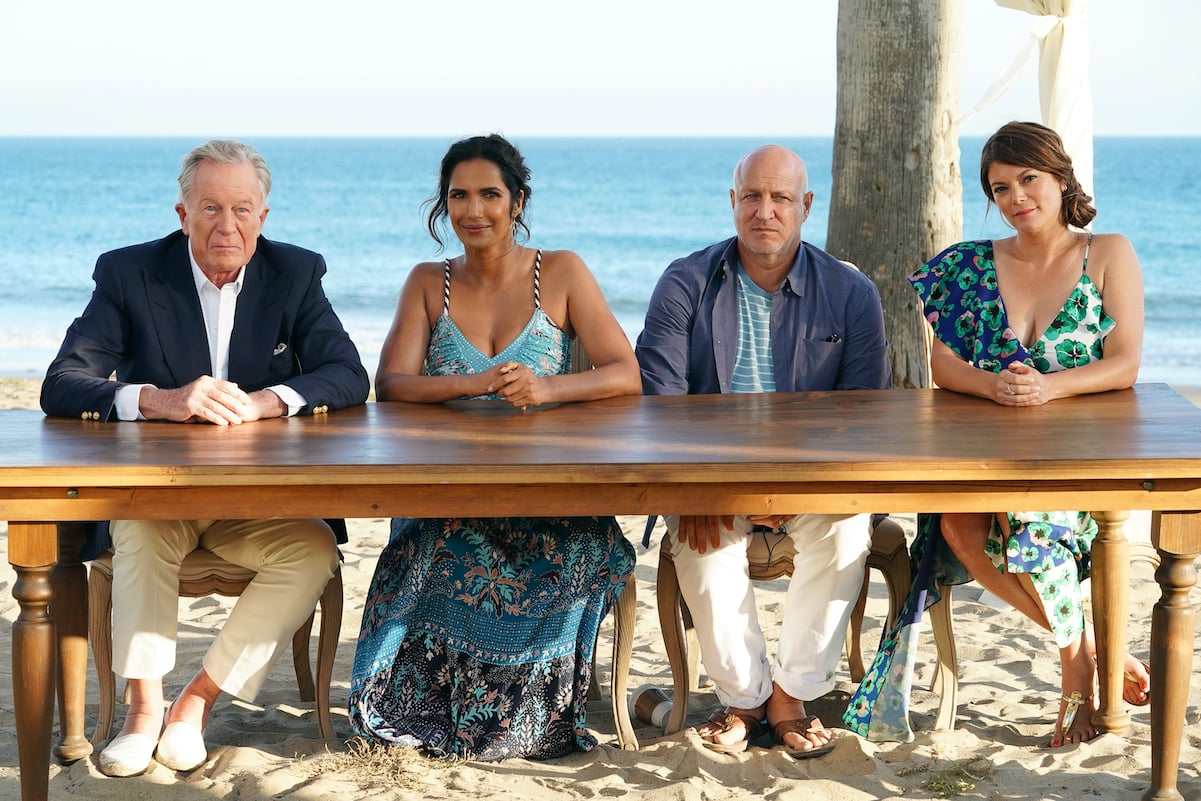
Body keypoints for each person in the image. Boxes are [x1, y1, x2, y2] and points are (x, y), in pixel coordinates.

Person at [41, 139, 371, 777]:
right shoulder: (129, 273)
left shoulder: (296, 272)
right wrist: (158, 400)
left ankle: (193, 704)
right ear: (183, 213)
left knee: (313, 552)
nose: (228, 225)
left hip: (257, 503)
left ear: (262, 217)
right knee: (140, 529)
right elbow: (62, 382)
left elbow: (348, 374)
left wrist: (270, 401)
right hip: (159, 497)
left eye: (243, 209)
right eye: (211, 208)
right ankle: (143, 713)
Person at [844, 120, 1148, 748]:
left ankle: (1074, 671)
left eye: (1028, 179)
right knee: (957, 525)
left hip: (1077, 455)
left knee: (1027, 520)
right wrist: (993, 388)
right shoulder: (969, 265)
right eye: (1000, 188)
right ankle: (1093, 652)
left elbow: (1125, 364)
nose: (1016, 197)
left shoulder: (1107, 253)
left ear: (1060, 177)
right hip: (987, 448)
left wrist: (1049, 389)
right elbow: (943, 365)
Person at [348, 134, 640, 761]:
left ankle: (522, 712)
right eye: (459, 196)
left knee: (573, 554)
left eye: (489, 194)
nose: (473, 210)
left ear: (517, 201)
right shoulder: (428, 282)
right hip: (450, 492)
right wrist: (475, 383)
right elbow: (391, 384)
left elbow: (625, 373)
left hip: (551, 493)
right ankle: (428, 707)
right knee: (426, 550)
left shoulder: (561, 272)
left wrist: (548, 388)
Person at [635, 144, 892, 756]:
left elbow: (862, 417)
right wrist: (707, 489)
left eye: (780, 198)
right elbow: (660, 404)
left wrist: (790, 490)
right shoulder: (685, 283)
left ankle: (792, 696)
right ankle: (744, 701)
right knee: (702, 542)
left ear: (806, 205)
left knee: (845, 532)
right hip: (709, 477)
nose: (765, 211)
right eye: (752, 196)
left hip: (813, 481)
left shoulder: (851, 292)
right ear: (733, 202)